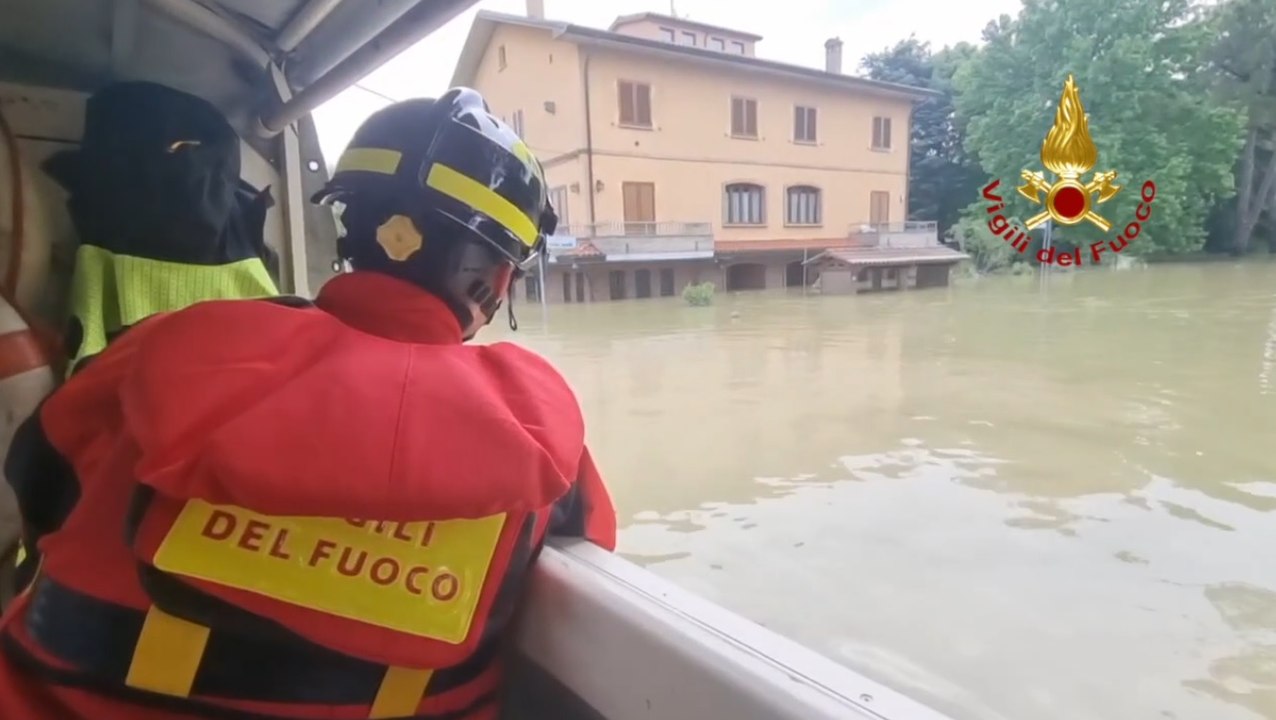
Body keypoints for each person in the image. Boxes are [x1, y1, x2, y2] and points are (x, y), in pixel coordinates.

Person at [0, 87, 617, 720]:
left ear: (348, 222)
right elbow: (589, 573)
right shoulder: (544, 444)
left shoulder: (159, 349)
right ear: (501, 279)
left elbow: (38, 487)